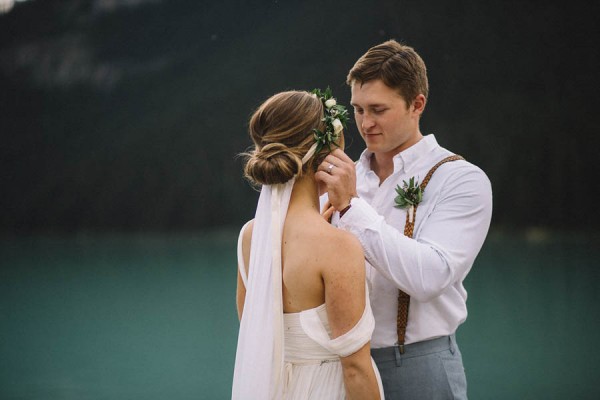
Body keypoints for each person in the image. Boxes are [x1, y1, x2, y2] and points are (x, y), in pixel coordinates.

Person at [316, 40, 493, 399]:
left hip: (416, 365)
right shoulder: (339, 179)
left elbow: (430, 277)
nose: (366, 123)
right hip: (337, 368)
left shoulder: (461, 179)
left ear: (417, 104)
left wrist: (351, 209)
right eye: (358, 109)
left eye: (378, 109)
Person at [232, 89, 384, 399]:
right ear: (329, 152)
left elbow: (255, 333)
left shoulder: (250, 237)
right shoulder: (337, 246)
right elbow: (355, 368)